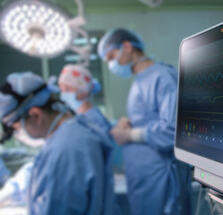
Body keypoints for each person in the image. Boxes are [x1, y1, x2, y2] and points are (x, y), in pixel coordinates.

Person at [98, 28, 192, 215]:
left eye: (111, 57)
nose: (111, 64)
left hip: (161, 181)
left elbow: (172, 132)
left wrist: (130, 135)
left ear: (127, 46)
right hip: (144, 179)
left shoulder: (162, 77)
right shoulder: (140, 80)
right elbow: (151, 117)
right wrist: (130, 123)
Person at [0, 72, 118, 215]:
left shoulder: (64, 149)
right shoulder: (74, 131)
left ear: (36, 115)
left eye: (17, 127)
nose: (18, 134)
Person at [58, 64, 112, 136]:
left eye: (67, 90)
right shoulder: (83, 116)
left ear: (84, 91)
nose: (63, 94)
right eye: (61, 90)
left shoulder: (92, 119)